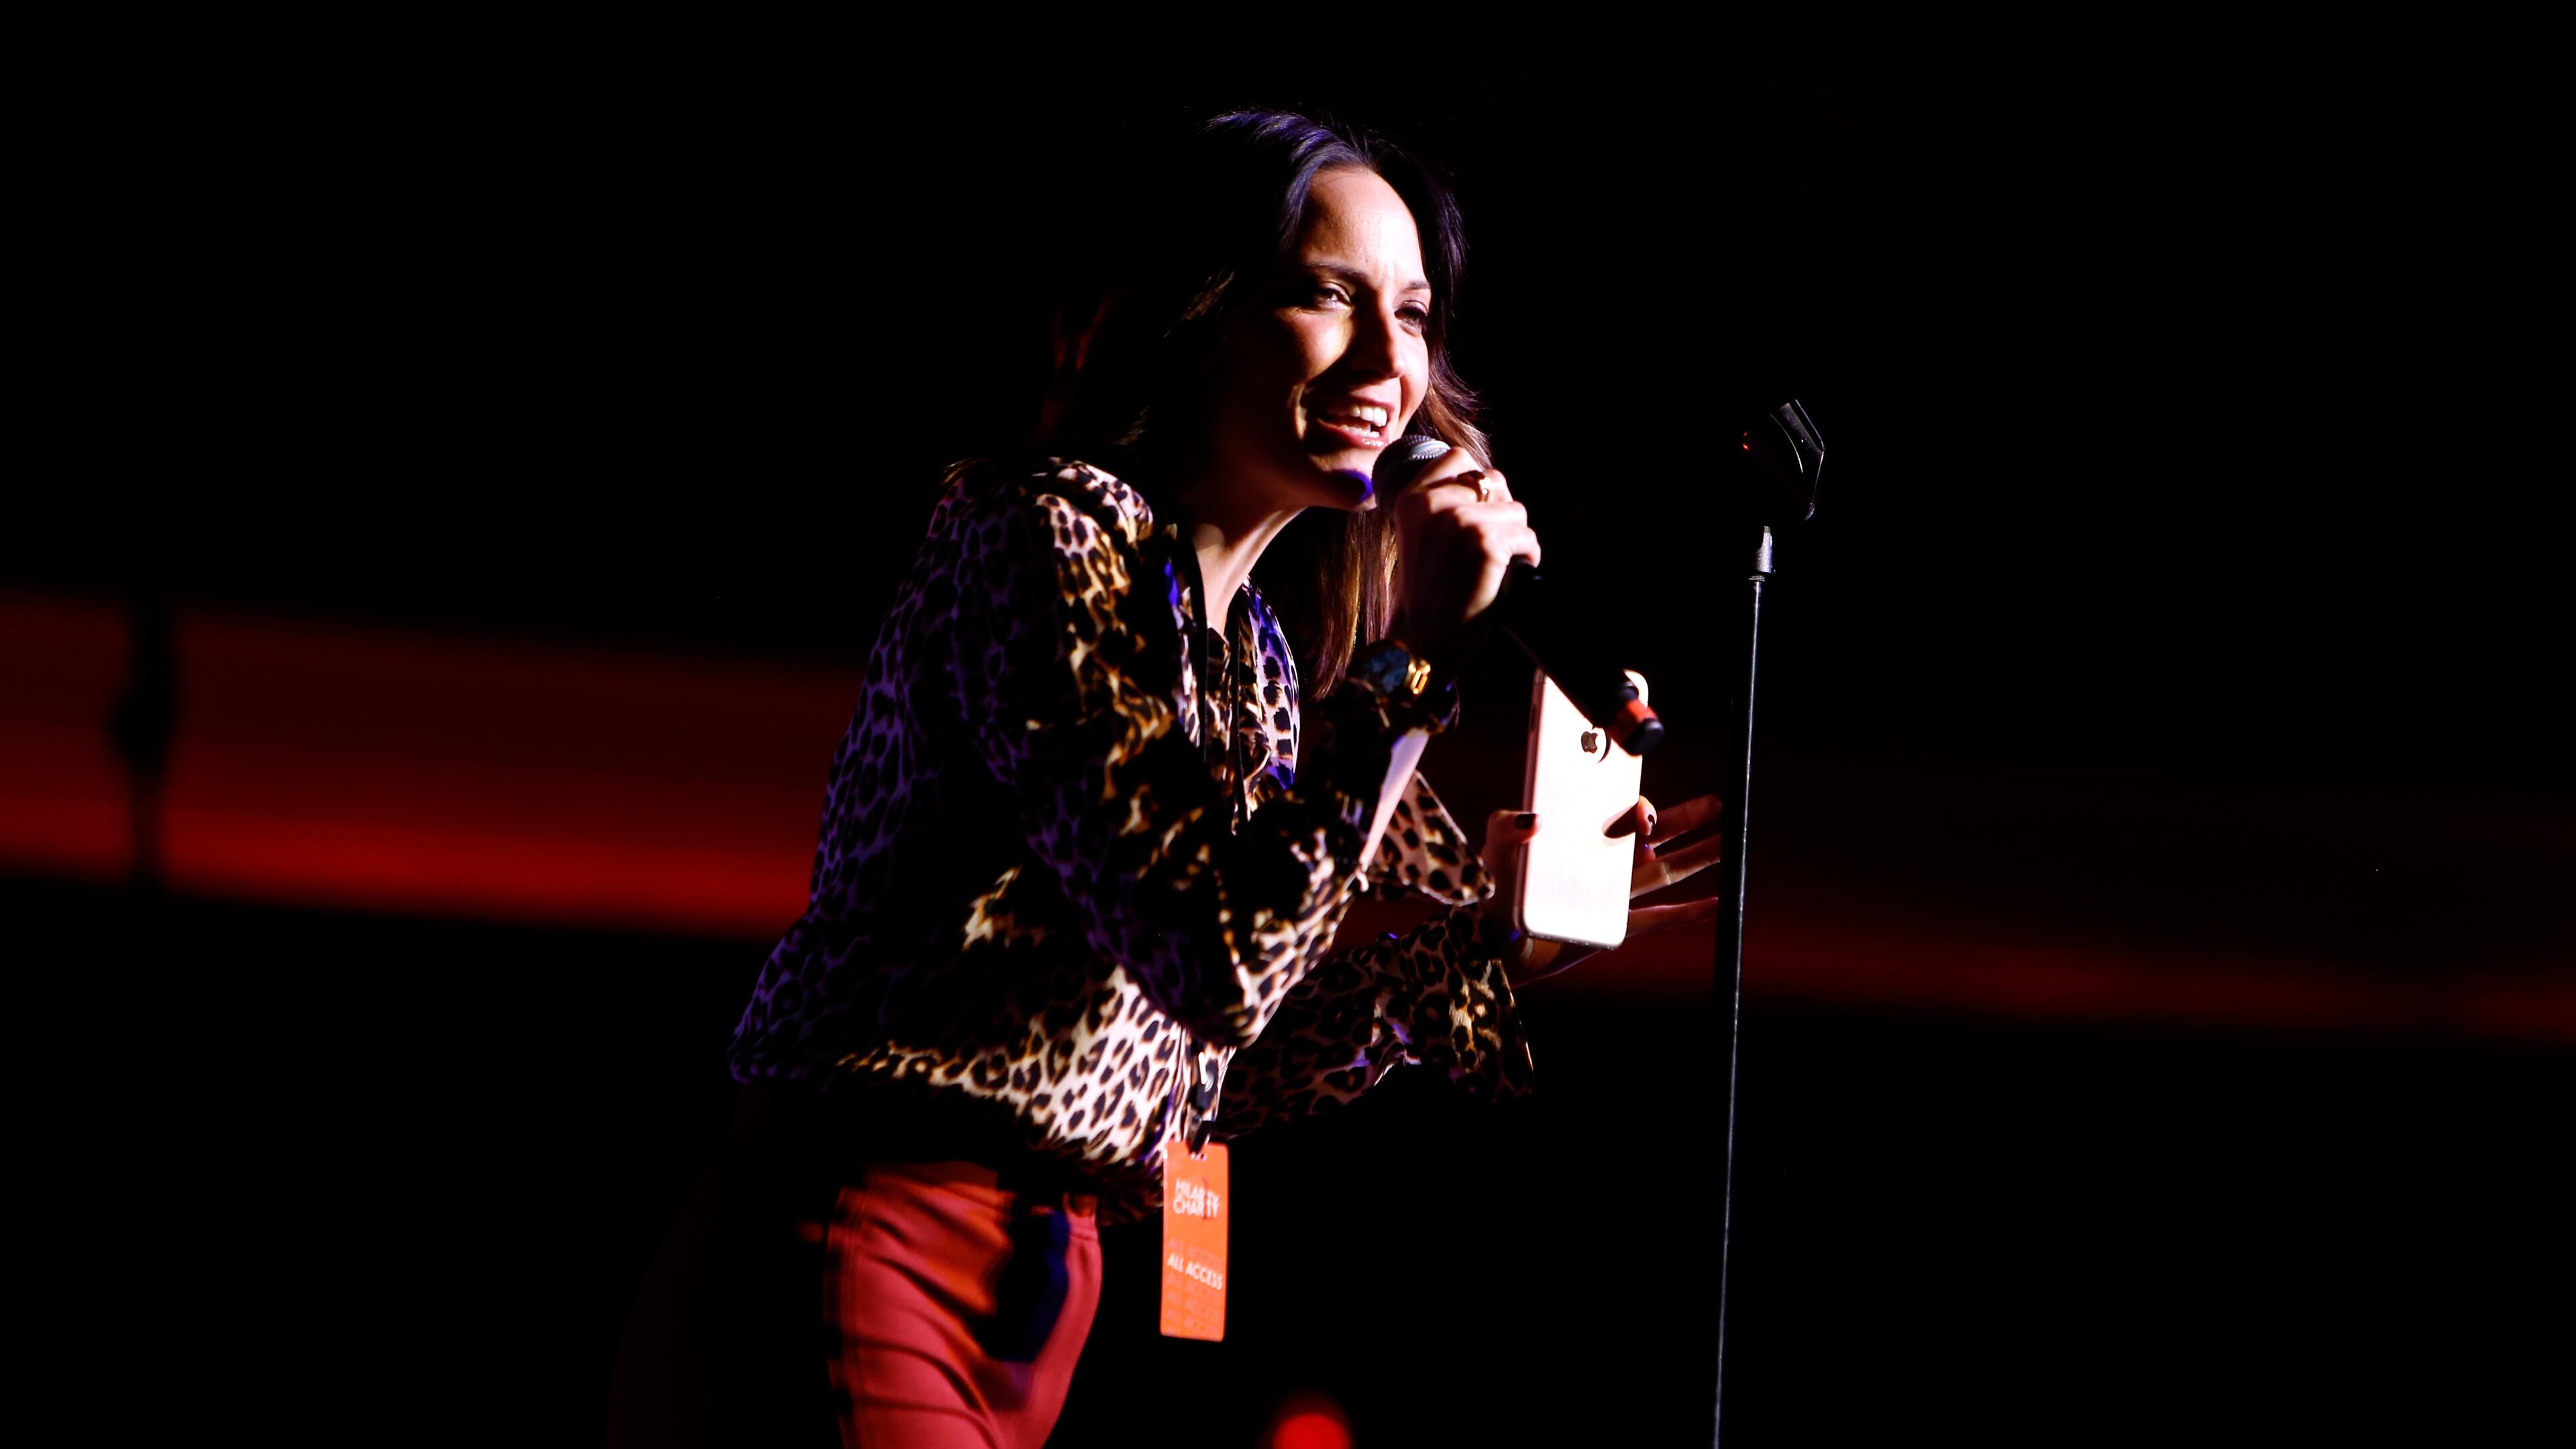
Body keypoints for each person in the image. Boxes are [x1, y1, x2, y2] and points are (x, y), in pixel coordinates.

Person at [607, 109, 1725, 1448]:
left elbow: (1206, 1065)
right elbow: (1218, 951)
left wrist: (1489, 947)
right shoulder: (1042, 539)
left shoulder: (1249, 656)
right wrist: (1412, 664)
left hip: (1044, 1290)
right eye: (1328, 296)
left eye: (1416, 316)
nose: (1390, 363)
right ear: (1198, 314)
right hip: (866, 1234)